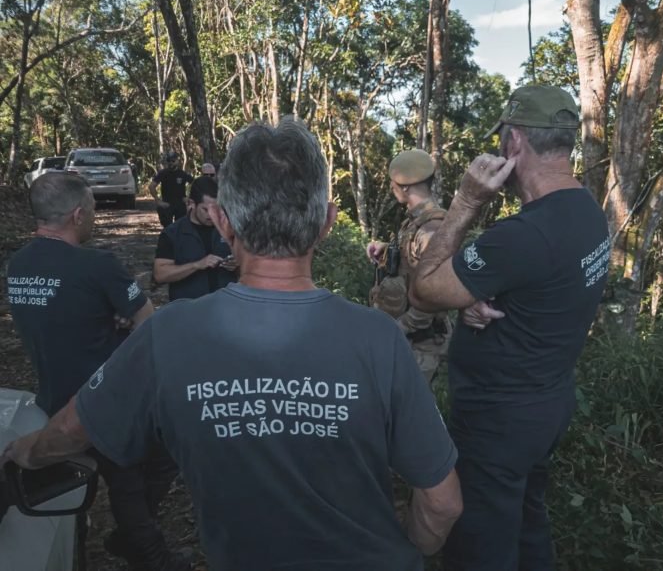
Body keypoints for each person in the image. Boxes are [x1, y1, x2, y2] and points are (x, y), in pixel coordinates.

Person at [3, 118, 463, 571]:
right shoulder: (379, 338)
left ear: (223, 223)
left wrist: (20, 453)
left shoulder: (168, 335)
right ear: (326, 222)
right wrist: (412, 549)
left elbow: (70, 431)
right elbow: (442, 502)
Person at [409, 85, 610, 571]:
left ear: (514, 141)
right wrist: (476, 301)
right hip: (547, 402)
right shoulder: (587, 212)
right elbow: (542, 285)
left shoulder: (524, 235)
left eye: (503, 139)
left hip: (499, 420)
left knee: (480, 543)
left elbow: (425, 290)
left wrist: (465, 201)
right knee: (526, 522)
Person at [5, 173, 189, 571]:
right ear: (76, 215)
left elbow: (61, 320)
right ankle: (148, 554)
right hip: (105, 402)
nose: (91, 217)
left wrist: (105, 323)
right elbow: (148, 327)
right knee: (138, 475)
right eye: (89, 211)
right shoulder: (97, 265)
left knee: (64, 497)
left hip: (52, 401)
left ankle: (98, 546)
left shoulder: (16, 266)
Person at [367, 149, 452, 383]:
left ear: (404, 186)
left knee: (409, 415)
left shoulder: (431, 229)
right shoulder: (415, 221)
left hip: (420, 346)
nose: (392, 188)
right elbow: (414, 263)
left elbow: (436, 293)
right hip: (409, 341)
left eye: (393, 183)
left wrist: (399, 328)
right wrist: (386, 251)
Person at [153, 176, 237, 301]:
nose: (211, 215)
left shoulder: (229, 228)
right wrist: (197, 265)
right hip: (188, 310)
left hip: (225, 307)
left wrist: (237, 264)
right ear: (192, 204)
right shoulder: (172, 234)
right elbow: (160, 274)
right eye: (205, 209)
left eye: (216, 209)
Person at [149, 151, 193, 227]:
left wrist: (189, 198)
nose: (171, 163)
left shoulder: (182, 174)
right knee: (167, 227)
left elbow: (195, 183)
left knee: (180, 227)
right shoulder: (163, 173)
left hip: (180, 203)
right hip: (166, 203)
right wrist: (157, 200)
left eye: (173, 161)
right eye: (169, 161)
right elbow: (151, 186)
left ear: (177, 161)